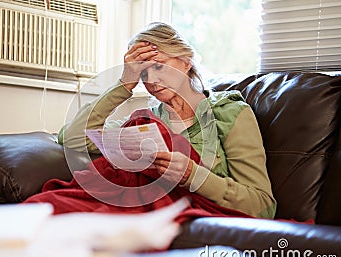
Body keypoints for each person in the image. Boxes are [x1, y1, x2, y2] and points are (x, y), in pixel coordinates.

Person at [35, 22, 276, 219]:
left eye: (159, 66)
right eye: (142, 73)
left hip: (190, 214)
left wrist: (194, 175)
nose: (151, 81)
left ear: (186, 60)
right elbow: (74, 136)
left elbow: (263, 206)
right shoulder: (146, 122)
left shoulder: (229, 113)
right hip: (137, 209)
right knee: (45, 209)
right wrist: (124, 84)